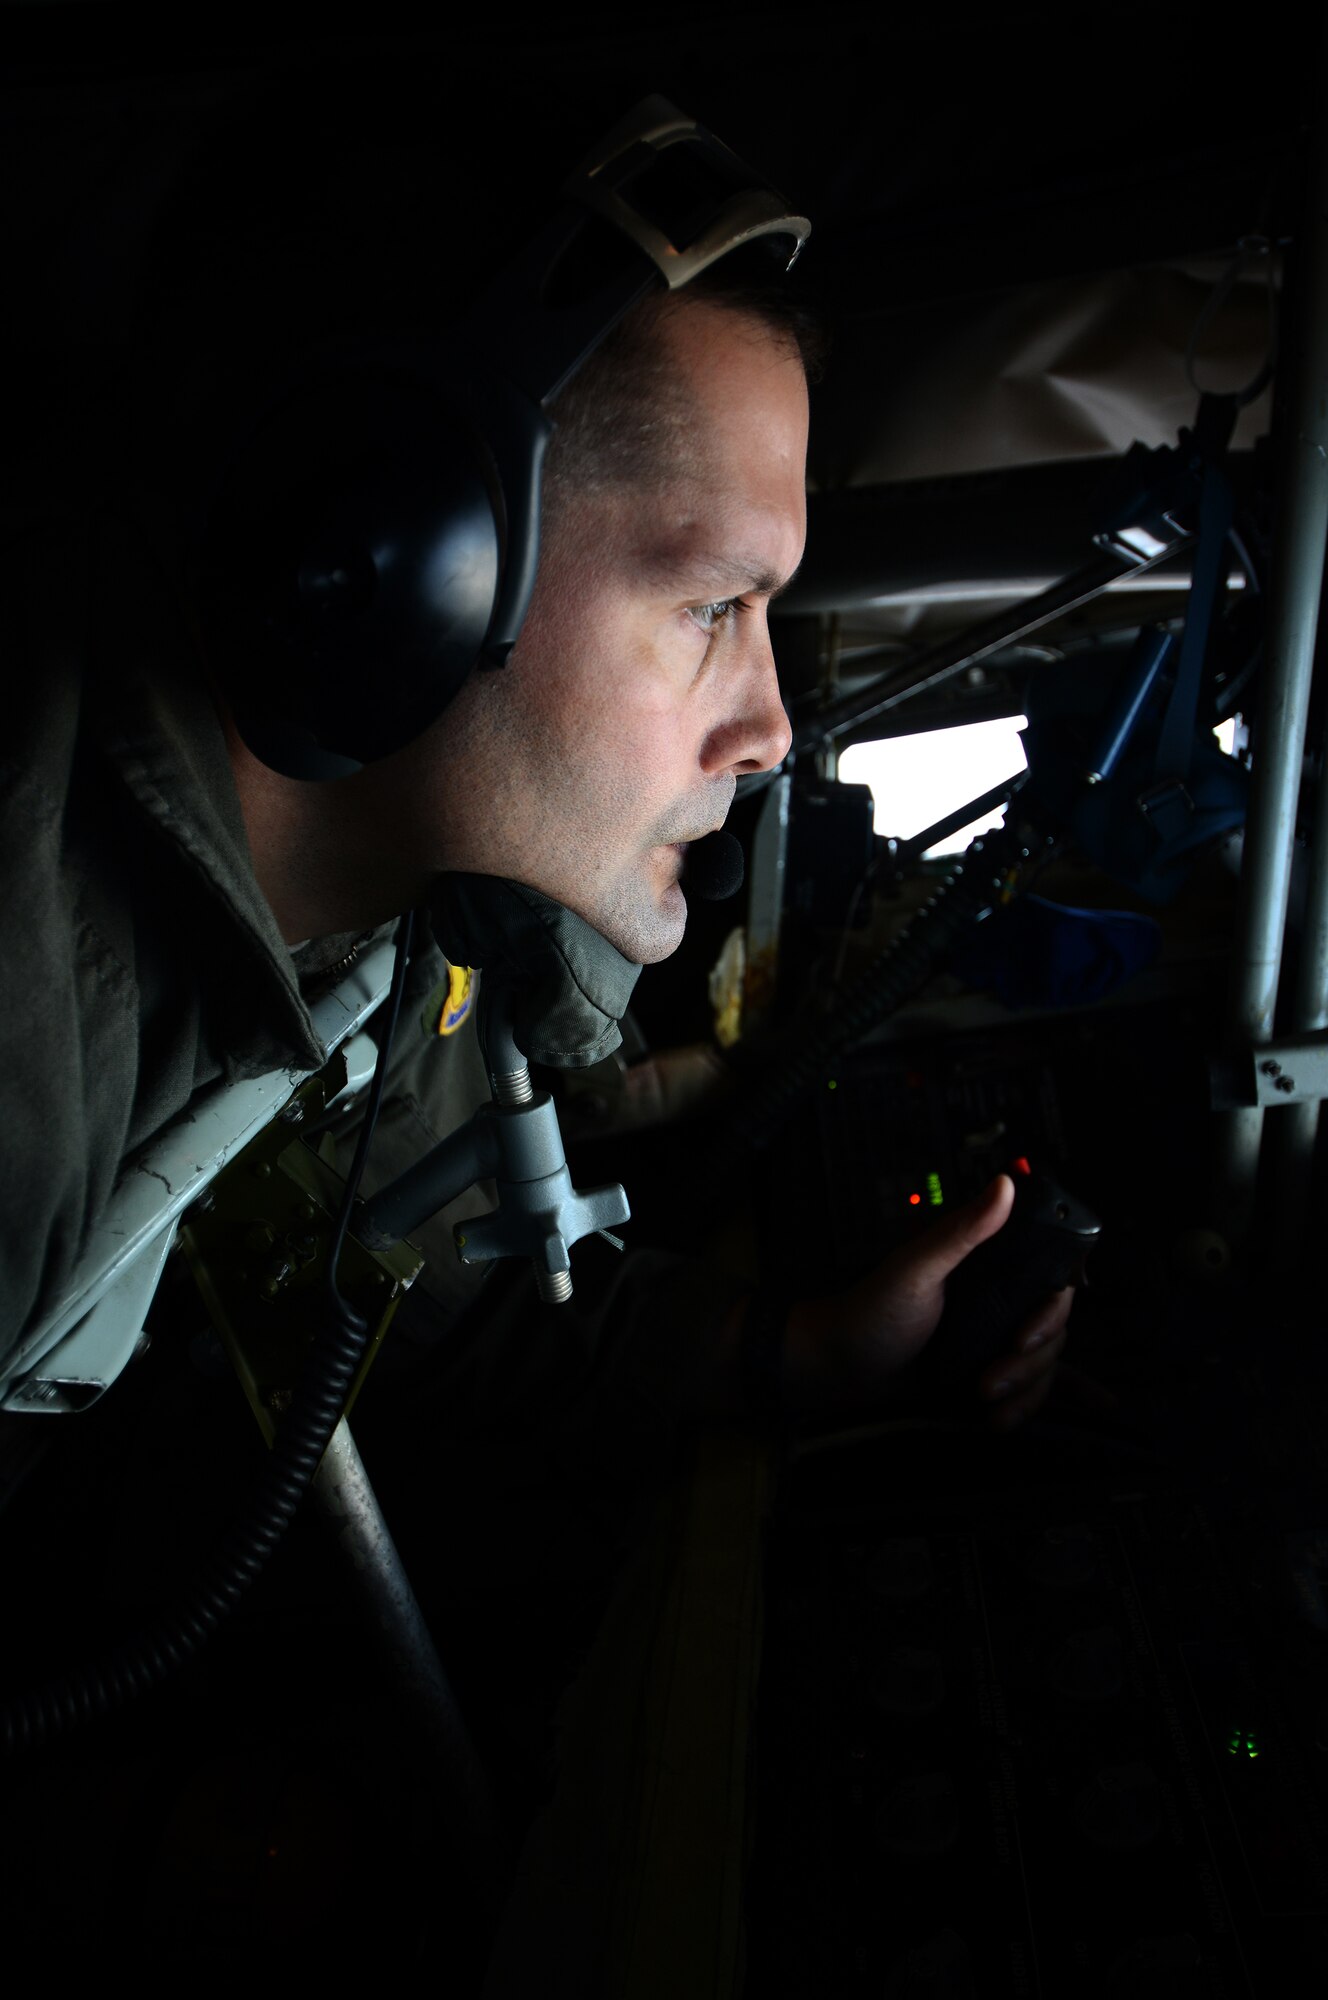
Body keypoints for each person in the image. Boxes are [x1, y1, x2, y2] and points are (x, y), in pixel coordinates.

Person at [0, 76, 1071, 1976]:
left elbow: (465, 1323)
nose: (775, 729)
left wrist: (806, 1355)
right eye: (717, 604)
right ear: (401, 554)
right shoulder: (22, 983)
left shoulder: (370, 948)